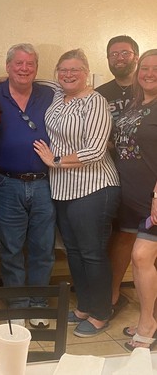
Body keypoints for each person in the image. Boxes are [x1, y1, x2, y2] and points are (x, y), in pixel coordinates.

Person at [34, 48, 120, 338]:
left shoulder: (95, 101)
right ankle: (85, 305)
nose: (68, 75)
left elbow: (95, 150)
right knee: (73, 251)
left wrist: (55, 160)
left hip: (93, 187)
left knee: (92, 253)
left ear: (87, 73)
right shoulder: (58, 95)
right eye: (63, 70)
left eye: (75, 70)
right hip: (63, 189)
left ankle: (101, 313)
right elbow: (41, 81)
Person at [0, 44, 55, 328]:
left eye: (30, 64)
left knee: (43, 247)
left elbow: (72, 85)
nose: (24, 69)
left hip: (44, 183)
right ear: (8, 66)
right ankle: (17, 304)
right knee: (11, 248)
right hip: (6, 182)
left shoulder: (49, 94)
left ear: (36, 69)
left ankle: (38, 303)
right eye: (18, 63)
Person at [113, 49, 157, 350]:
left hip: (153, 199)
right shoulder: (134, 104)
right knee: (144, 260)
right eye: (145, 68)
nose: (149, 74)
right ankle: (150, 319)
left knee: (141, 257)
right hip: (133, 198)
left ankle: (146, 324)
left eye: (156, 69)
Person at [96, 35, 140, 316]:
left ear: (136, 55)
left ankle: (113, 296)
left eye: (125, 53)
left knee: (132, 235)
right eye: (113, 54)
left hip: (143, 176)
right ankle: (109, 293)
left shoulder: (148, 88)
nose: (119, 58)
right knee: (115, 234)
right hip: (109, 175)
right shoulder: (100, 93)